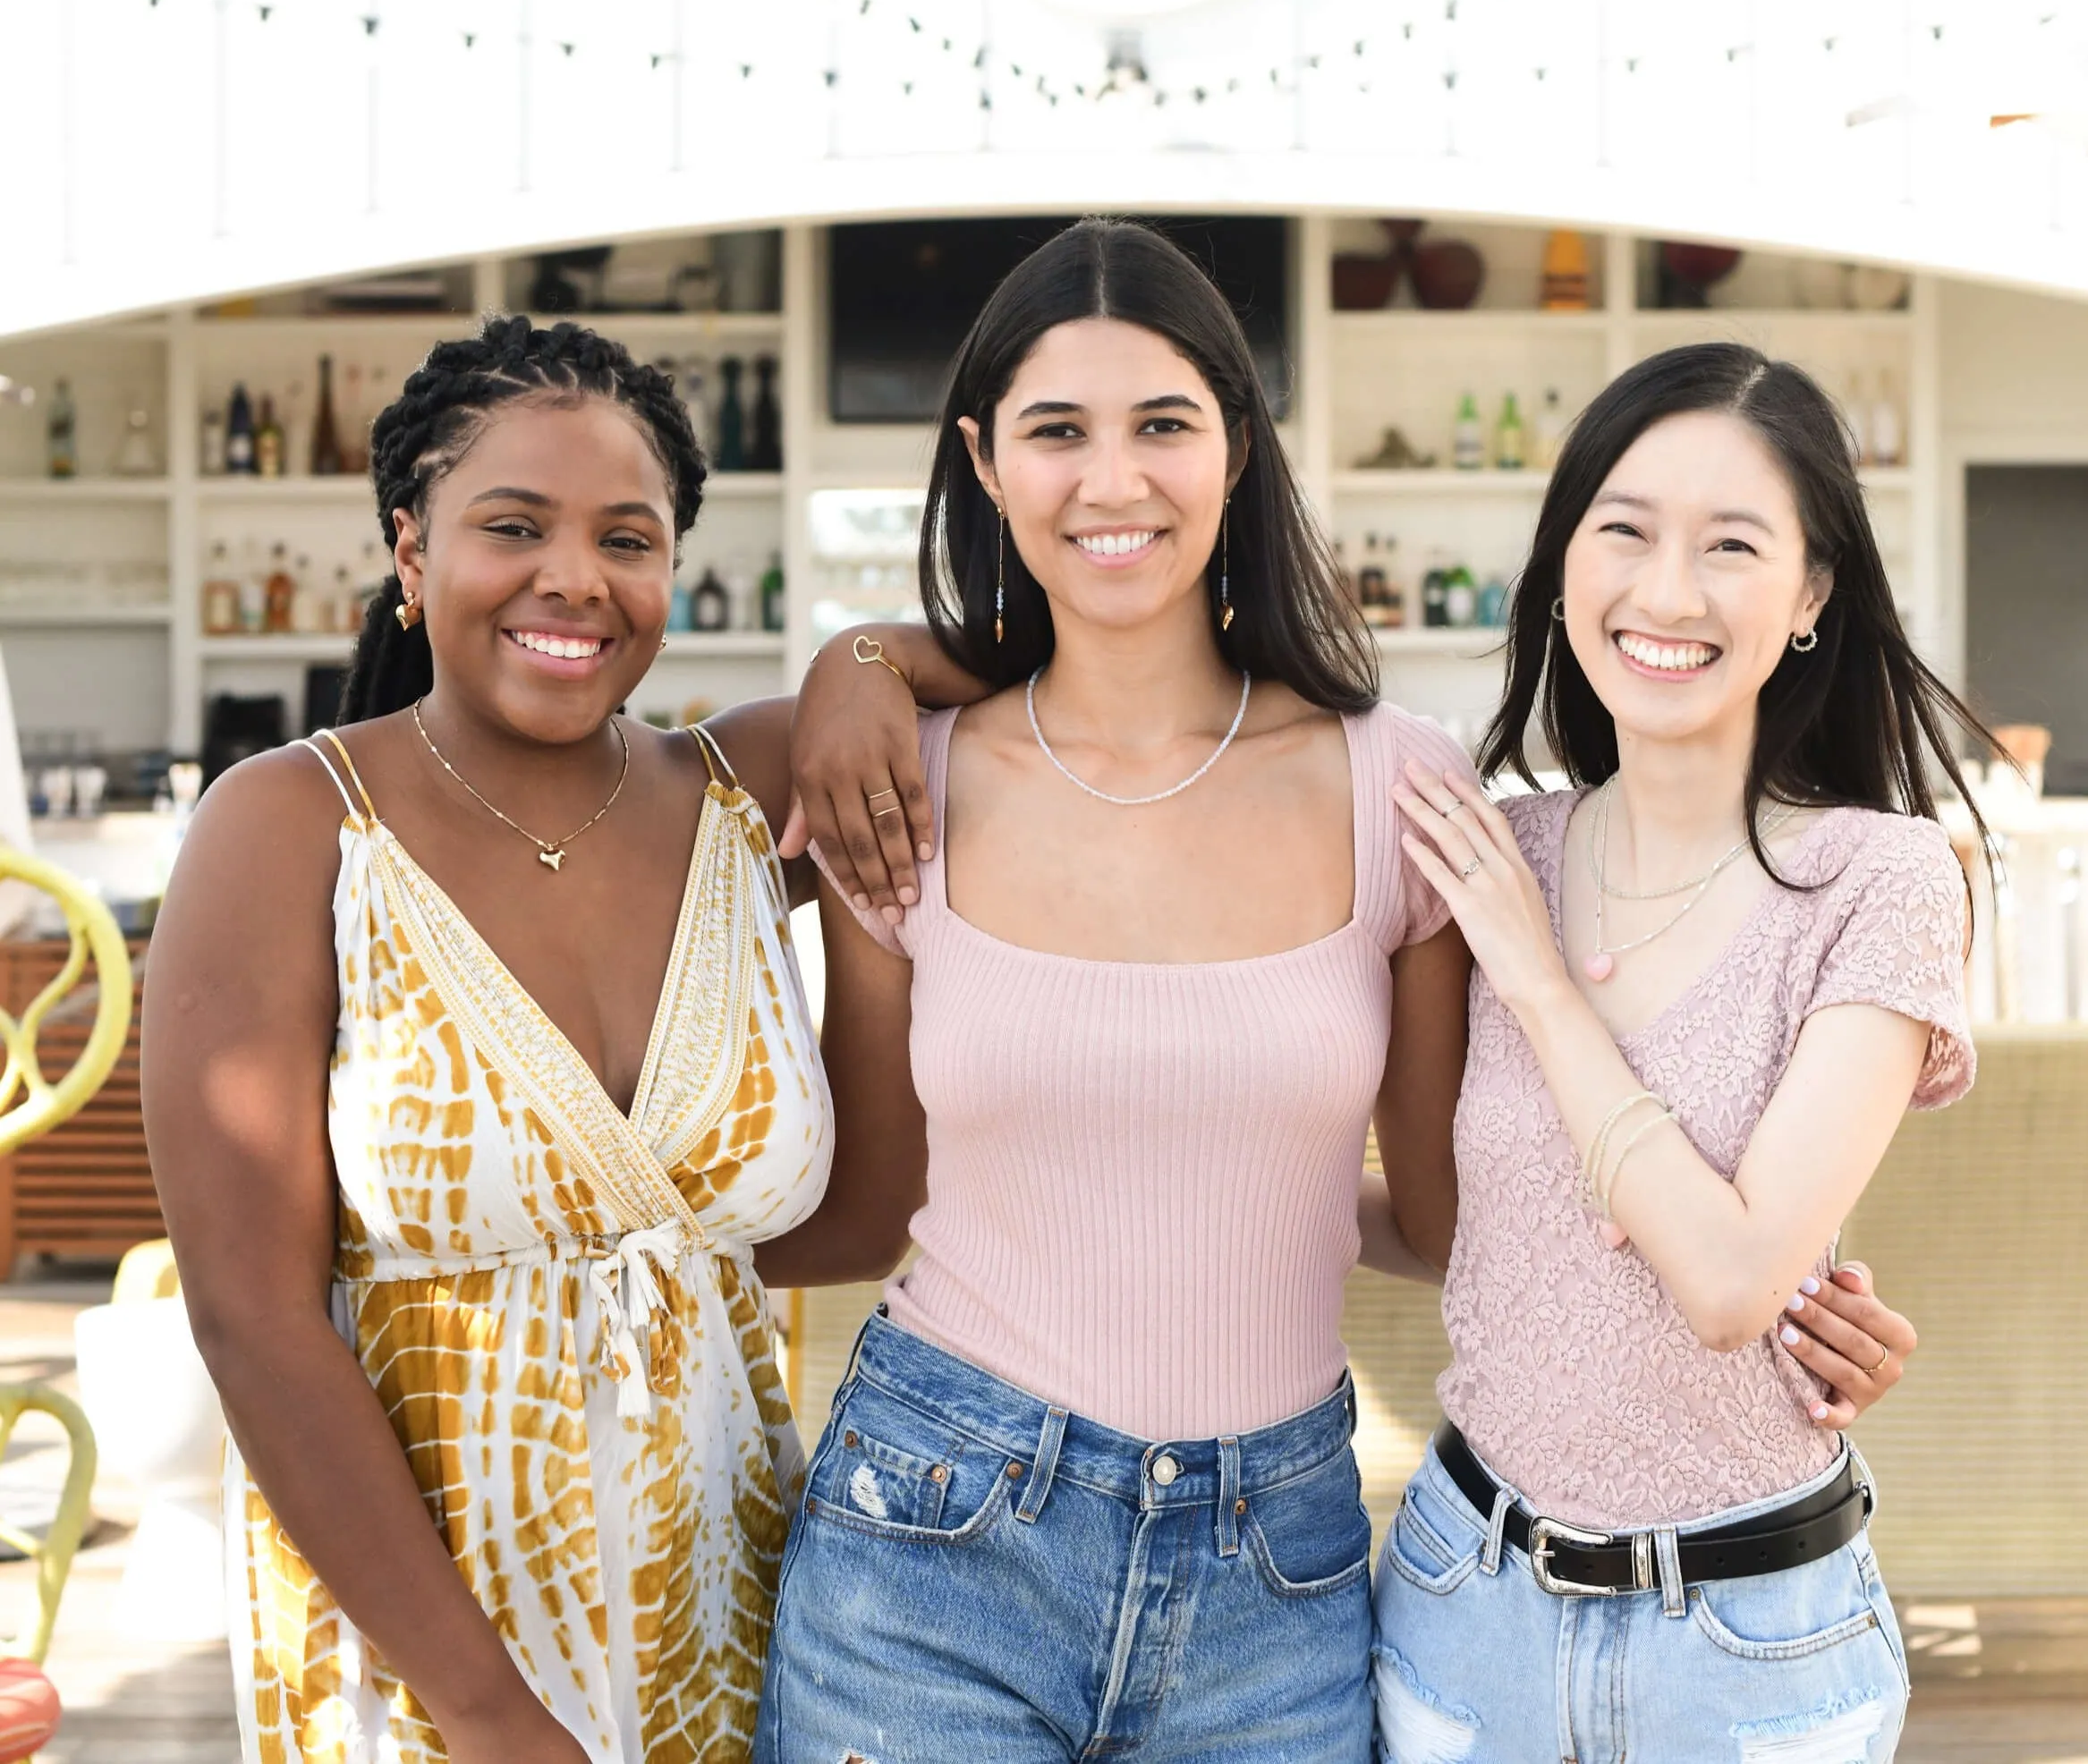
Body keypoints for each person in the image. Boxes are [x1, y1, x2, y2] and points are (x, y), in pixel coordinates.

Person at [753, 224, 1918, 1764]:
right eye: (1055, 430)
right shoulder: (903, 782)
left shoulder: (1406, 794)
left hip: (1278, 1558)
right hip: (937, 1519)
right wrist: (860, 658)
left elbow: (1451, 1211)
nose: (1112, 479)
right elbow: (863, 1190)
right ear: (981, 459)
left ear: (1237, 445)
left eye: (1162, 422)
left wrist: (1791, 1292)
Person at [142, 318, 966, 1764]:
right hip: (421, 1649)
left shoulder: (744, 786)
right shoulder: (288, 824)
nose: (575, 577)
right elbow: (250, 1317)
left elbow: (1062, 649)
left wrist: (863, 656)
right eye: (511, 525)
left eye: (627, 538)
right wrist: (487, 1715)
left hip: (740, 1606)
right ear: (410, 552)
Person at [1373, 343, 1986, 1763]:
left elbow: (1724, 1282)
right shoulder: (1491, 850)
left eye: (1730, 545)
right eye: (1625, 530)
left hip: (1749, 1645)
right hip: (1467, 1612)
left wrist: (1533, 978)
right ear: (1563, 558)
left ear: (1811, 592)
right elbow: (1461, 1227)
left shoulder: (1880, 881)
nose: (1665, 592)